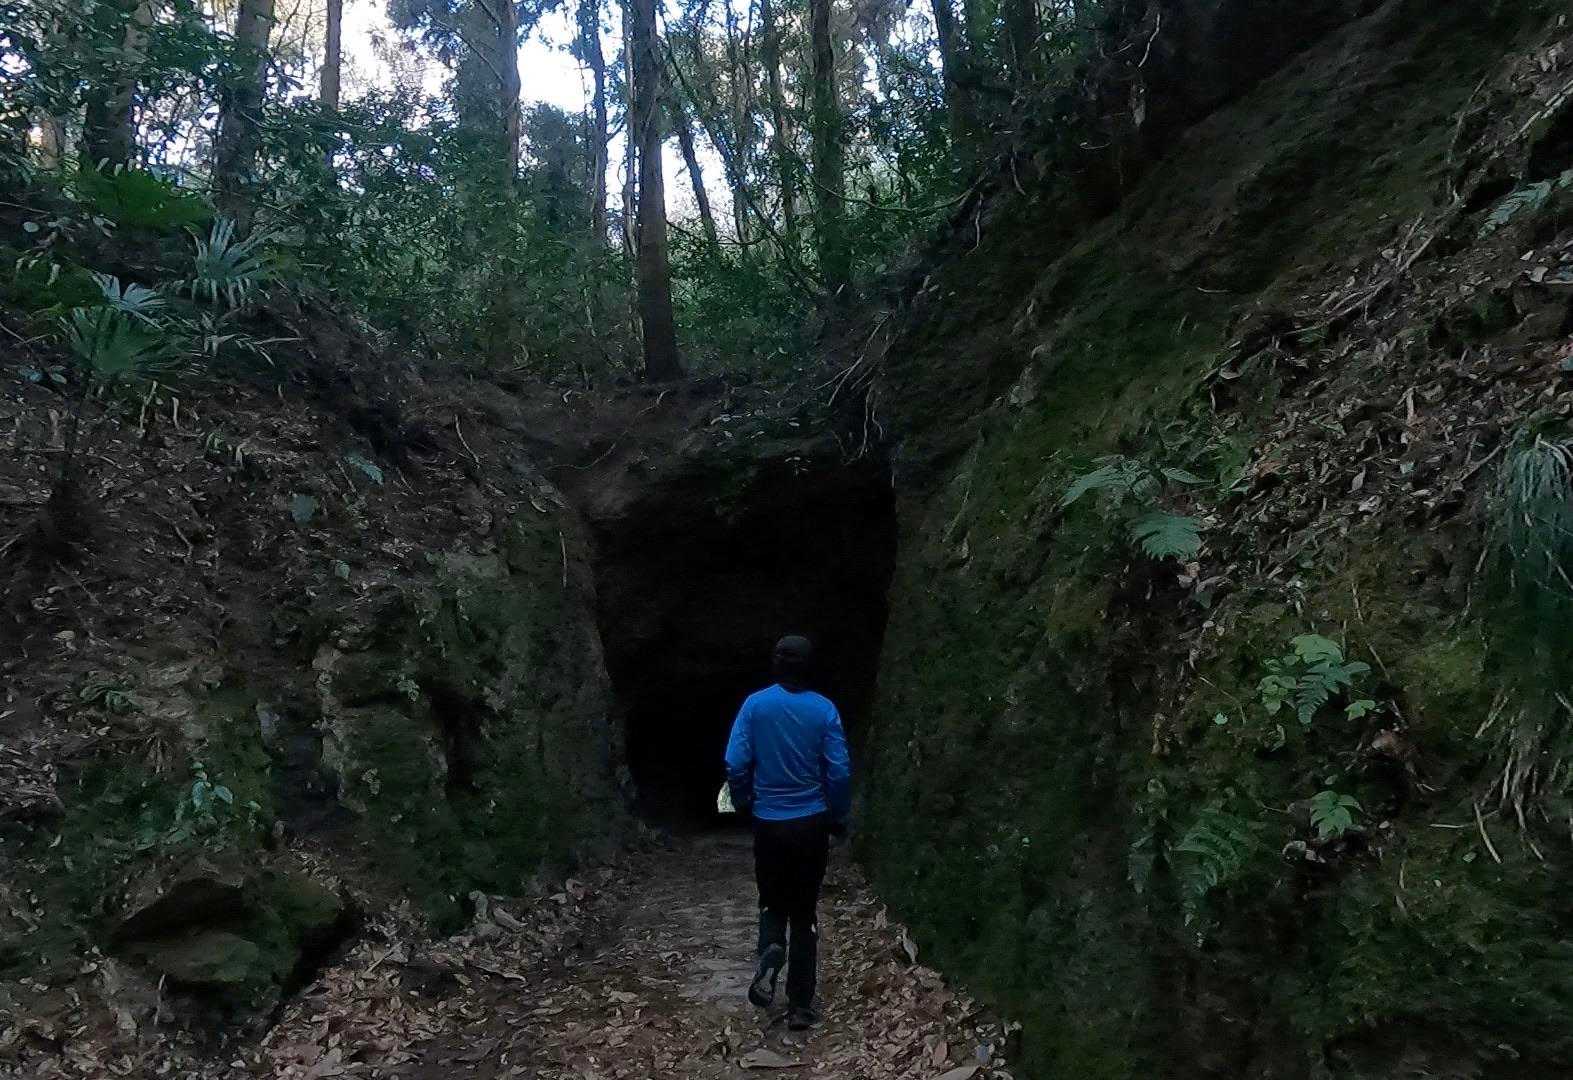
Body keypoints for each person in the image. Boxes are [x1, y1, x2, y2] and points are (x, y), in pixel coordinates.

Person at [724, 634, 852, 1031]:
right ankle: (800, 1005)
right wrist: (837, 813)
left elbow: (735, 762)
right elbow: (839, 770)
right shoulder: (824, 710)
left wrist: (743, 799)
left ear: (776, 664)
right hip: (811, 822)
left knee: (772, 900)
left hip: (770, 822)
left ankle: (771, 949)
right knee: (804, 910)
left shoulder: (755, 705)